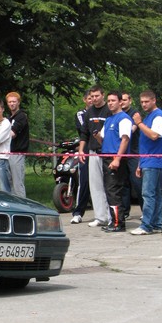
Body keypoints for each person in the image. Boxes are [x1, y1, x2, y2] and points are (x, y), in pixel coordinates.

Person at [130, 90, 162, 235]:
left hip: (155, 160)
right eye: (142, 102)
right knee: (155, 194)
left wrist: (139, 123)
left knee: (148, 194)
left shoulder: (159, 116)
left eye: (147, 101)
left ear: (154, 100)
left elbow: (154, 135)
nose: (144, 104)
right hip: (147, 160)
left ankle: (146, 225)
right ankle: (156, 224)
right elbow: (145, 144)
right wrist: (140, 163)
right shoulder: (148, 117)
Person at [97, 91, 132, 232]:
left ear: (120, 102)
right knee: (109, 190)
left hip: (115, 158)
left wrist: (117, 159)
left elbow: (125, 139)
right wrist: (96, 135)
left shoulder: (124, 119)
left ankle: (119, 223)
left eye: (113, 100)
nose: (110, 103)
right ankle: (113, 220)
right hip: (106, 157)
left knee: (114, 190)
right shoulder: (109, 119)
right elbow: (103, 139)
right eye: (109, 101)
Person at [77, 85, 110, 227]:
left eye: (97, 96)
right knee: (95, 185)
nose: (94, 99)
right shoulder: (89, 112)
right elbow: (84, 133)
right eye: (92, 96)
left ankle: (111, 216)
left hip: (107, 152)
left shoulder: (109, 110)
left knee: (109, 185)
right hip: (92, 151)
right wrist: (81, 150)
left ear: (103, 95)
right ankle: (100, 217)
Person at [70, 90, 93, 224]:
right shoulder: (81, 114)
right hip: (86, 150)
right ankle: (78, 212)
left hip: (100, 149)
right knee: (84, 181)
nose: (92, 100)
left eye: (94, 97)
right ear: (85, 100)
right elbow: (85, 129)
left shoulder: (104, 112)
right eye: (89, 98)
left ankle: (107, 214)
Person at [120, 92, 143, 218]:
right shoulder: (117, 114)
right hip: (122, 154)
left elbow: (132, 130)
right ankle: (125, 212)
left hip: (134, 153)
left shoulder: (135, 113)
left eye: (124, 100)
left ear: (130, 100)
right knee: (124, 184)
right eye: (120, 100)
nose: (122, 102)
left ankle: (145, 211)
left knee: (137, 183)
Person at [6, 91, 29, 197]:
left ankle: (22, 204)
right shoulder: (9, 118)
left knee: (17, 183)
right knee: (9, 182)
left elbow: (12, 134)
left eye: (14, 101)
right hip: (8, 152)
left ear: (18, 102)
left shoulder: (21, 116)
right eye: (10, 102)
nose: (12, 104)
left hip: (17, 153)